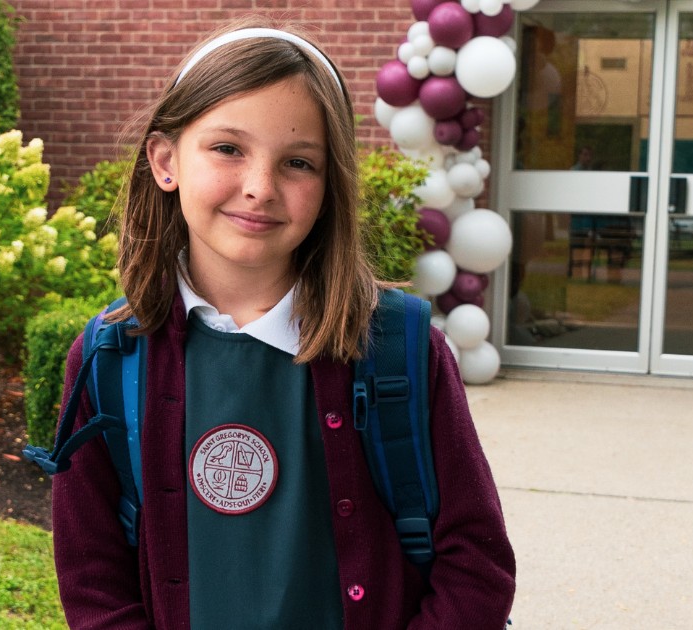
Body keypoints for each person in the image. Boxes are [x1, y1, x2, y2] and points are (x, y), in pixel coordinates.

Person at [50, 19, 515, 629]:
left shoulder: (397, 348)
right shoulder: (108, 359)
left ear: (329, 187)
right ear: (166, 161)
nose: (260, 188)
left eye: (298, 162)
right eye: (227, 149)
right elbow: (93, 583)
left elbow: (476, 564)